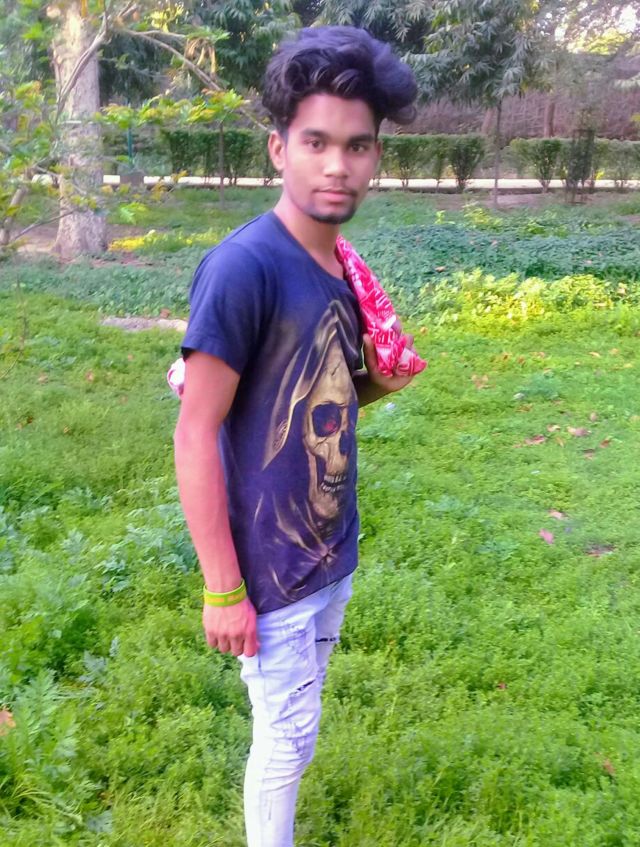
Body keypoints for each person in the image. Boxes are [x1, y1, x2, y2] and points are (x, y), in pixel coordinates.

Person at [173, 25, 421, 847]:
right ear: (279, 149)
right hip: (269, 565)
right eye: (316, 142)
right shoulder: (244, 267)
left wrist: (372, 383)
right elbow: (195, 430)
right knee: (283, 739)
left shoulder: (343, 268)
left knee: (299, 724)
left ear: (376, 157)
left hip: (328, 547)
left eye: (357, 145)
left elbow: (324, 397)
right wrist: (223, 588)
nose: (336, 164)